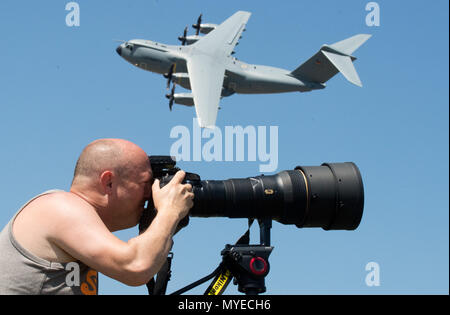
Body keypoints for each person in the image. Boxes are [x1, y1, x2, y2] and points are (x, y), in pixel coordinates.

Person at [0, 138, 194, 295]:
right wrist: (169, 211)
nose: (150, 194)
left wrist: (161, 225)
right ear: (108, 182)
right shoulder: (59, 207)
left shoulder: (76, 230)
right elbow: (136, 266)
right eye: (145, 184)